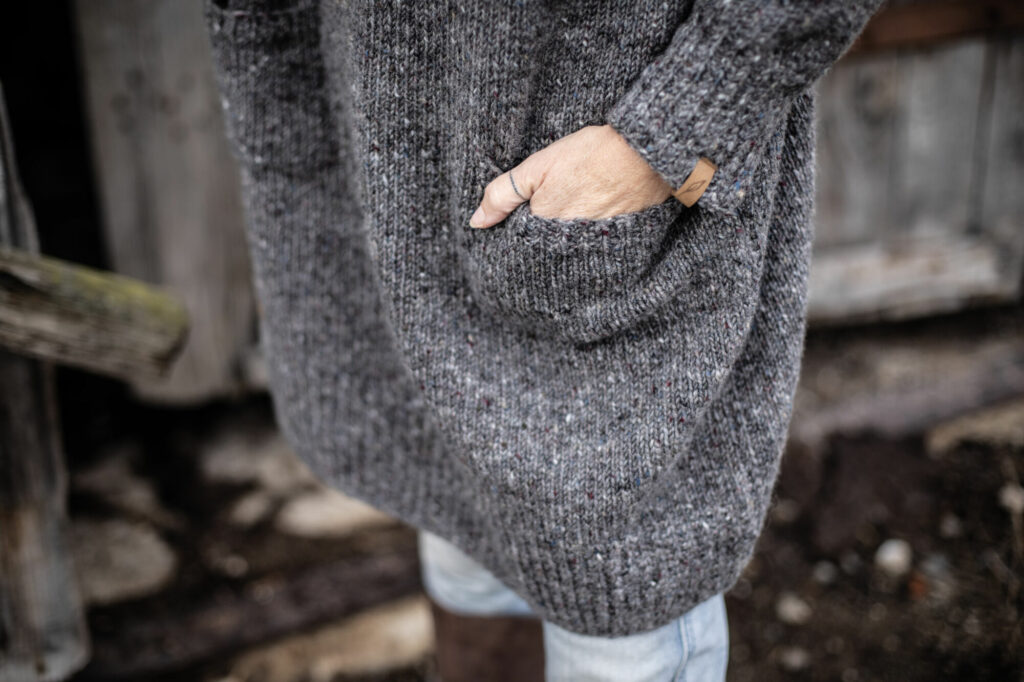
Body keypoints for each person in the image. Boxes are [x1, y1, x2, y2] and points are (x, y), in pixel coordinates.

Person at [203, 1, 886, 679]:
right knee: (463, 541)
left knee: (619, 624)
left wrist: (670, 132)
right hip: (375, 143)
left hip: (601, 152)